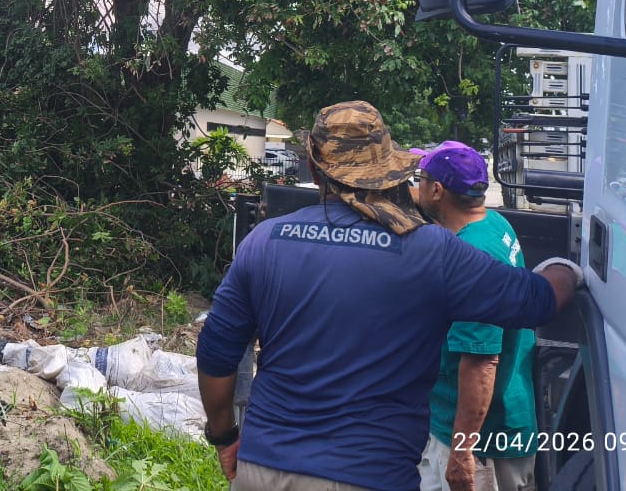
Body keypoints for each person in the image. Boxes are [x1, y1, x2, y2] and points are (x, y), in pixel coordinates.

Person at [196, 101, 582, 491]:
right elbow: (537, 301)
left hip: (263, 470)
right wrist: (569, 269)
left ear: (313, 169)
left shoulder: (265, 240)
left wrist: (225, 438)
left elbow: (216, 353)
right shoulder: (431, 251)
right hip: (370, 475)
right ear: (386, 171)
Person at [414, 142, 537, 491]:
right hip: (492, 422)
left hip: (480, 442)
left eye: (420, 178)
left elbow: (481, 364)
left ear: (437, 190)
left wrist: (462, 452)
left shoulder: (473, 258)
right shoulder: (492, 222)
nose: (417, 186)